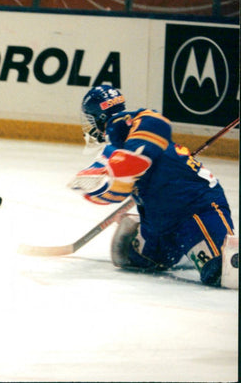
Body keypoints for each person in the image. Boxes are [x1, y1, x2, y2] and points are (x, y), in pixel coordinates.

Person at [69, 85, 237, 288]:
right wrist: (98, 189)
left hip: (195, 210)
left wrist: (135, 156)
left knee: (223, 271)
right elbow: (113, 190)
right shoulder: (114, 149)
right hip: (159, 225)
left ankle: (198, 248)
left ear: (100, 117)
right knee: (124, 254)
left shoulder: (132, 123)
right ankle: (187, 253)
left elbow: (156, 121)